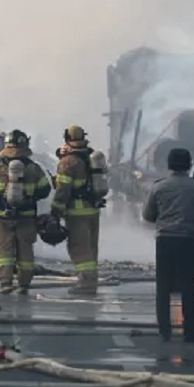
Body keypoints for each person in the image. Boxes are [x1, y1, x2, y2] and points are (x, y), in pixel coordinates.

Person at [142, 148, 194, 343]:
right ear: (189, 164)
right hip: (188, 240)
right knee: (188, 286)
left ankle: (164, 331)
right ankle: (191, 332)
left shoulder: (158, 187)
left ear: (169, 164)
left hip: (165, 239)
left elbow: (148, 215)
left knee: (163, 286)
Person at [0, 129, 51, 294]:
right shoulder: (34, 169)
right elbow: (45, 190)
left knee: (5, 250)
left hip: (2, 216)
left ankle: (6, 282)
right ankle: (24, 284)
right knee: (25, 250)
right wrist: (31, 198)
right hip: (26, 217)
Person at [50, 125, 108, 295]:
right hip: (93, 210)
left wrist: (55, 212)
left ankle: (86, 283)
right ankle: (91, 281)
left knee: (79, 248)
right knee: (91, 247)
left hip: (77, 213)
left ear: (67, 139)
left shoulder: (68, 162)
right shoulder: (92, 156)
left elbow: (63, 191)